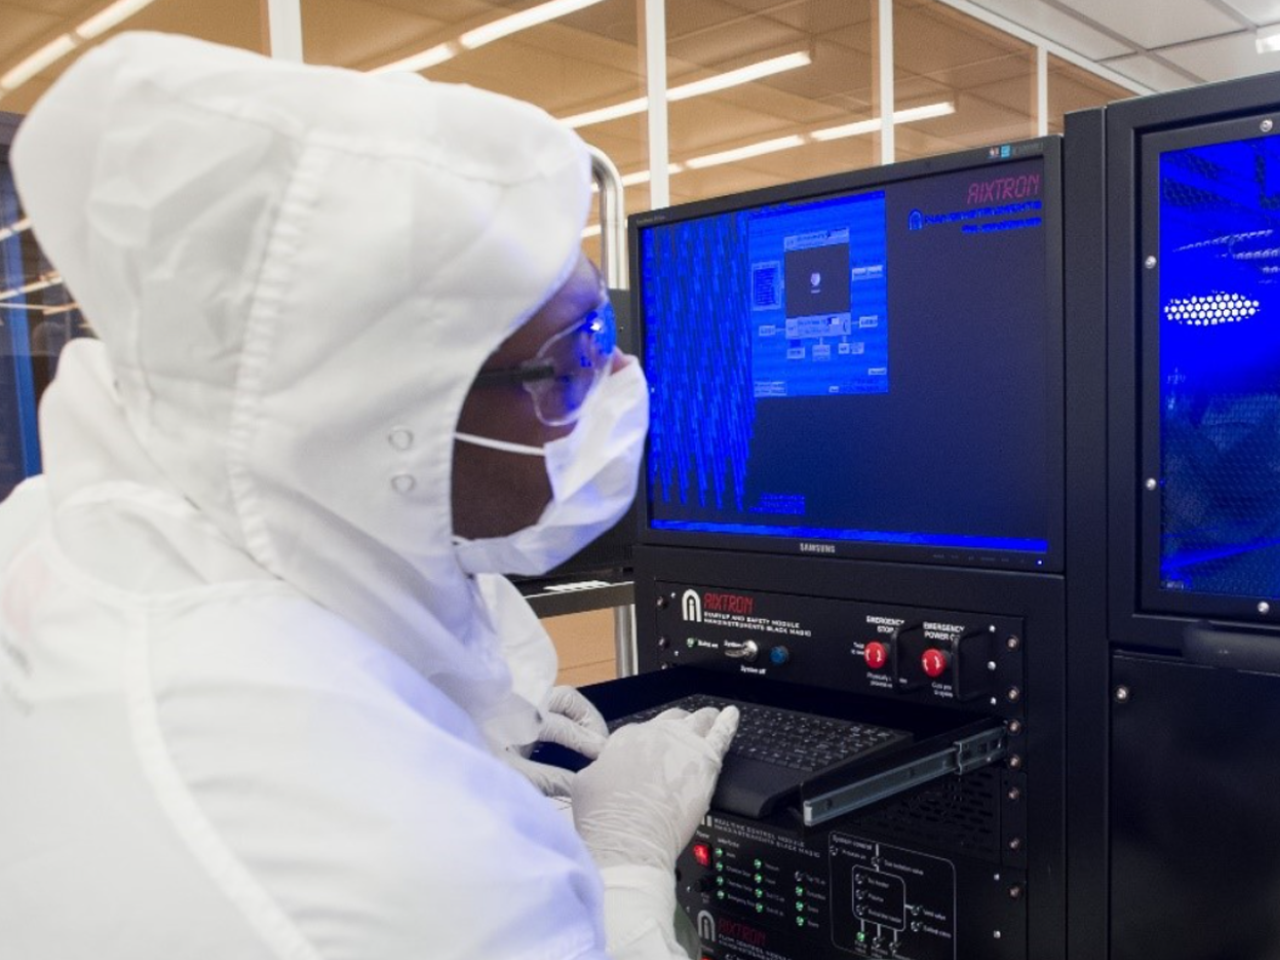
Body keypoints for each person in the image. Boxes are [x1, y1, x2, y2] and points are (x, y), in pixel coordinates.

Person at [0, 31, 738, 960]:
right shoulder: (407, 865)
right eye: (572, 356)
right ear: (393, 419)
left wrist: (471, 740)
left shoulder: (69, 532)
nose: (620, 378)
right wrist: (624, 863)